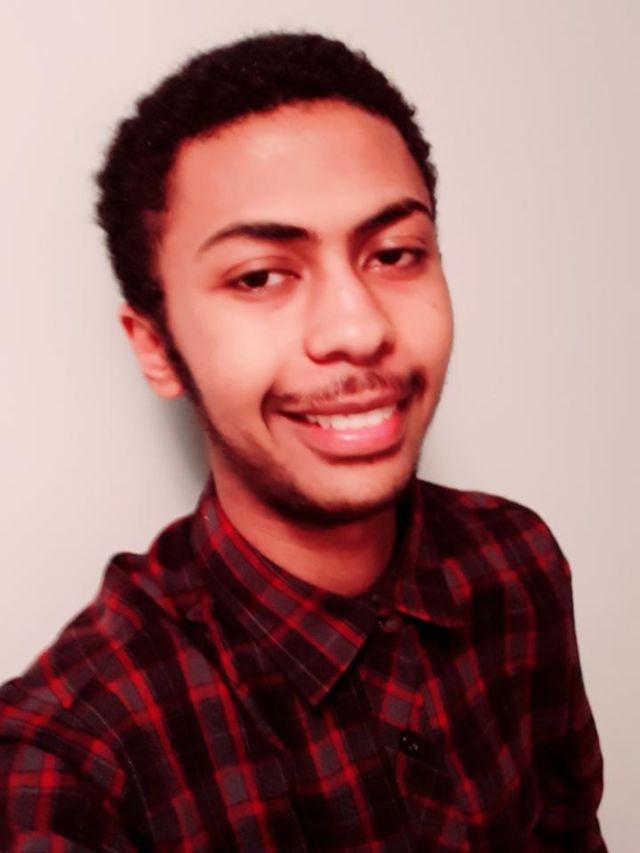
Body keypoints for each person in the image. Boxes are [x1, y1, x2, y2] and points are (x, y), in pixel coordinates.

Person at [0, 32, 605, 851]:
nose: (358, 328)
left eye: (394, 254)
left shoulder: (517, 561)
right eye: (259, 276)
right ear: (156, 345)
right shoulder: (76, 759)